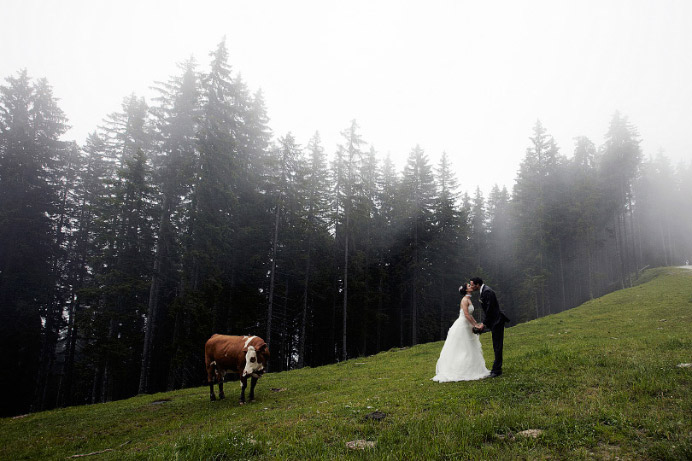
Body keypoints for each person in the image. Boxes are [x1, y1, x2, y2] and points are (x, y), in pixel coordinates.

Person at [432, 283, 490, 382]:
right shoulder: (464, 300)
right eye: (468, 286)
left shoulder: (469, 299)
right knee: (462, 348)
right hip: (462, 325)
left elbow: (470, 315)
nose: (471, 286)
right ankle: (459, 370)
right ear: (466, 290)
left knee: (469, 347)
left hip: (468, 325)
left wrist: (476, 323)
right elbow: (466, 314)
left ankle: (473, 368)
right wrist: (475, 325)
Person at [469, 277, 510, 378]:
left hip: (497, 321)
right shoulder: (483, 291)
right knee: (496, 345)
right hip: (494, 321)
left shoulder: (487, 292)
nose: (471, 287)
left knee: (497, 345)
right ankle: (496, 368)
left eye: (472, 285)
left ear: (478, 284)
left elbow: (490, 309)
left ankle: (497, 370)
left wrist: (483, 323)